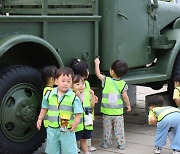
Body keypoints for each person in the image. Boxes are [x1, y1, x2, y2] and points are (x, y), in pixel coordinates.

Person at [36, 67, 84, 154]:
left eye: (68, 81)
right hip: (52, 128)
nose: (65, 84)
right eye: (63, 81)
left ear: (72, 83)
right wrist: (40, 119)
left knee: (69, 150)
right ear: (56, 81)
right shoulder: (49, 94)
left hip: (67, 129)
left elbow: (78, 112)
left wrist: (76, 122)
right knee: (52, 150)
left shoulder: (73, 97)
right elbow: (44, 107)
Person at [94, 57, 131, 150]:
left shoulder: (107, 80)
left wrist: (97, 63)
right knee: (119, 129)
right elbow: (125, 96)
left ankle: (106, 143)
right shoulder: (123, 84)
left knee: (107, 129)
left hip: (107, 112)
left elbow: (98, 74)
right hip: (118, 113)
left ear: (112, 71)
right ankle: (121, 144)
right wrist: (128, 106)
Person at [70, 58, 98, 152]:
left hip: (87, 112)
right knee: (78, 131)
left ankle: (86, 147)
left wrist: (92, 96)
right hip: (80, 113)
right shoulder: (73, 90)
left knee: (87, 131)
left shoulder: (87, 83)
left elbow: (88, 95)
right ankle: (77, 147)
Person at [72, 75, 96, 154]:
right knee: (74, 140)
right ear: (72, 86)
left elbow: (92, 106)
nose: (81, 86)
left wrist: (92, 96)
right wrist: (77, 97)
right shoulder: (72, 95)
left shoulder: (87, 94)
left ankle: (86, 151)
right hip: (77, 124)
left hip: (86, 123)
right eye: (77, 84)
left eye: (82, 83)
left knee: (84, 139)